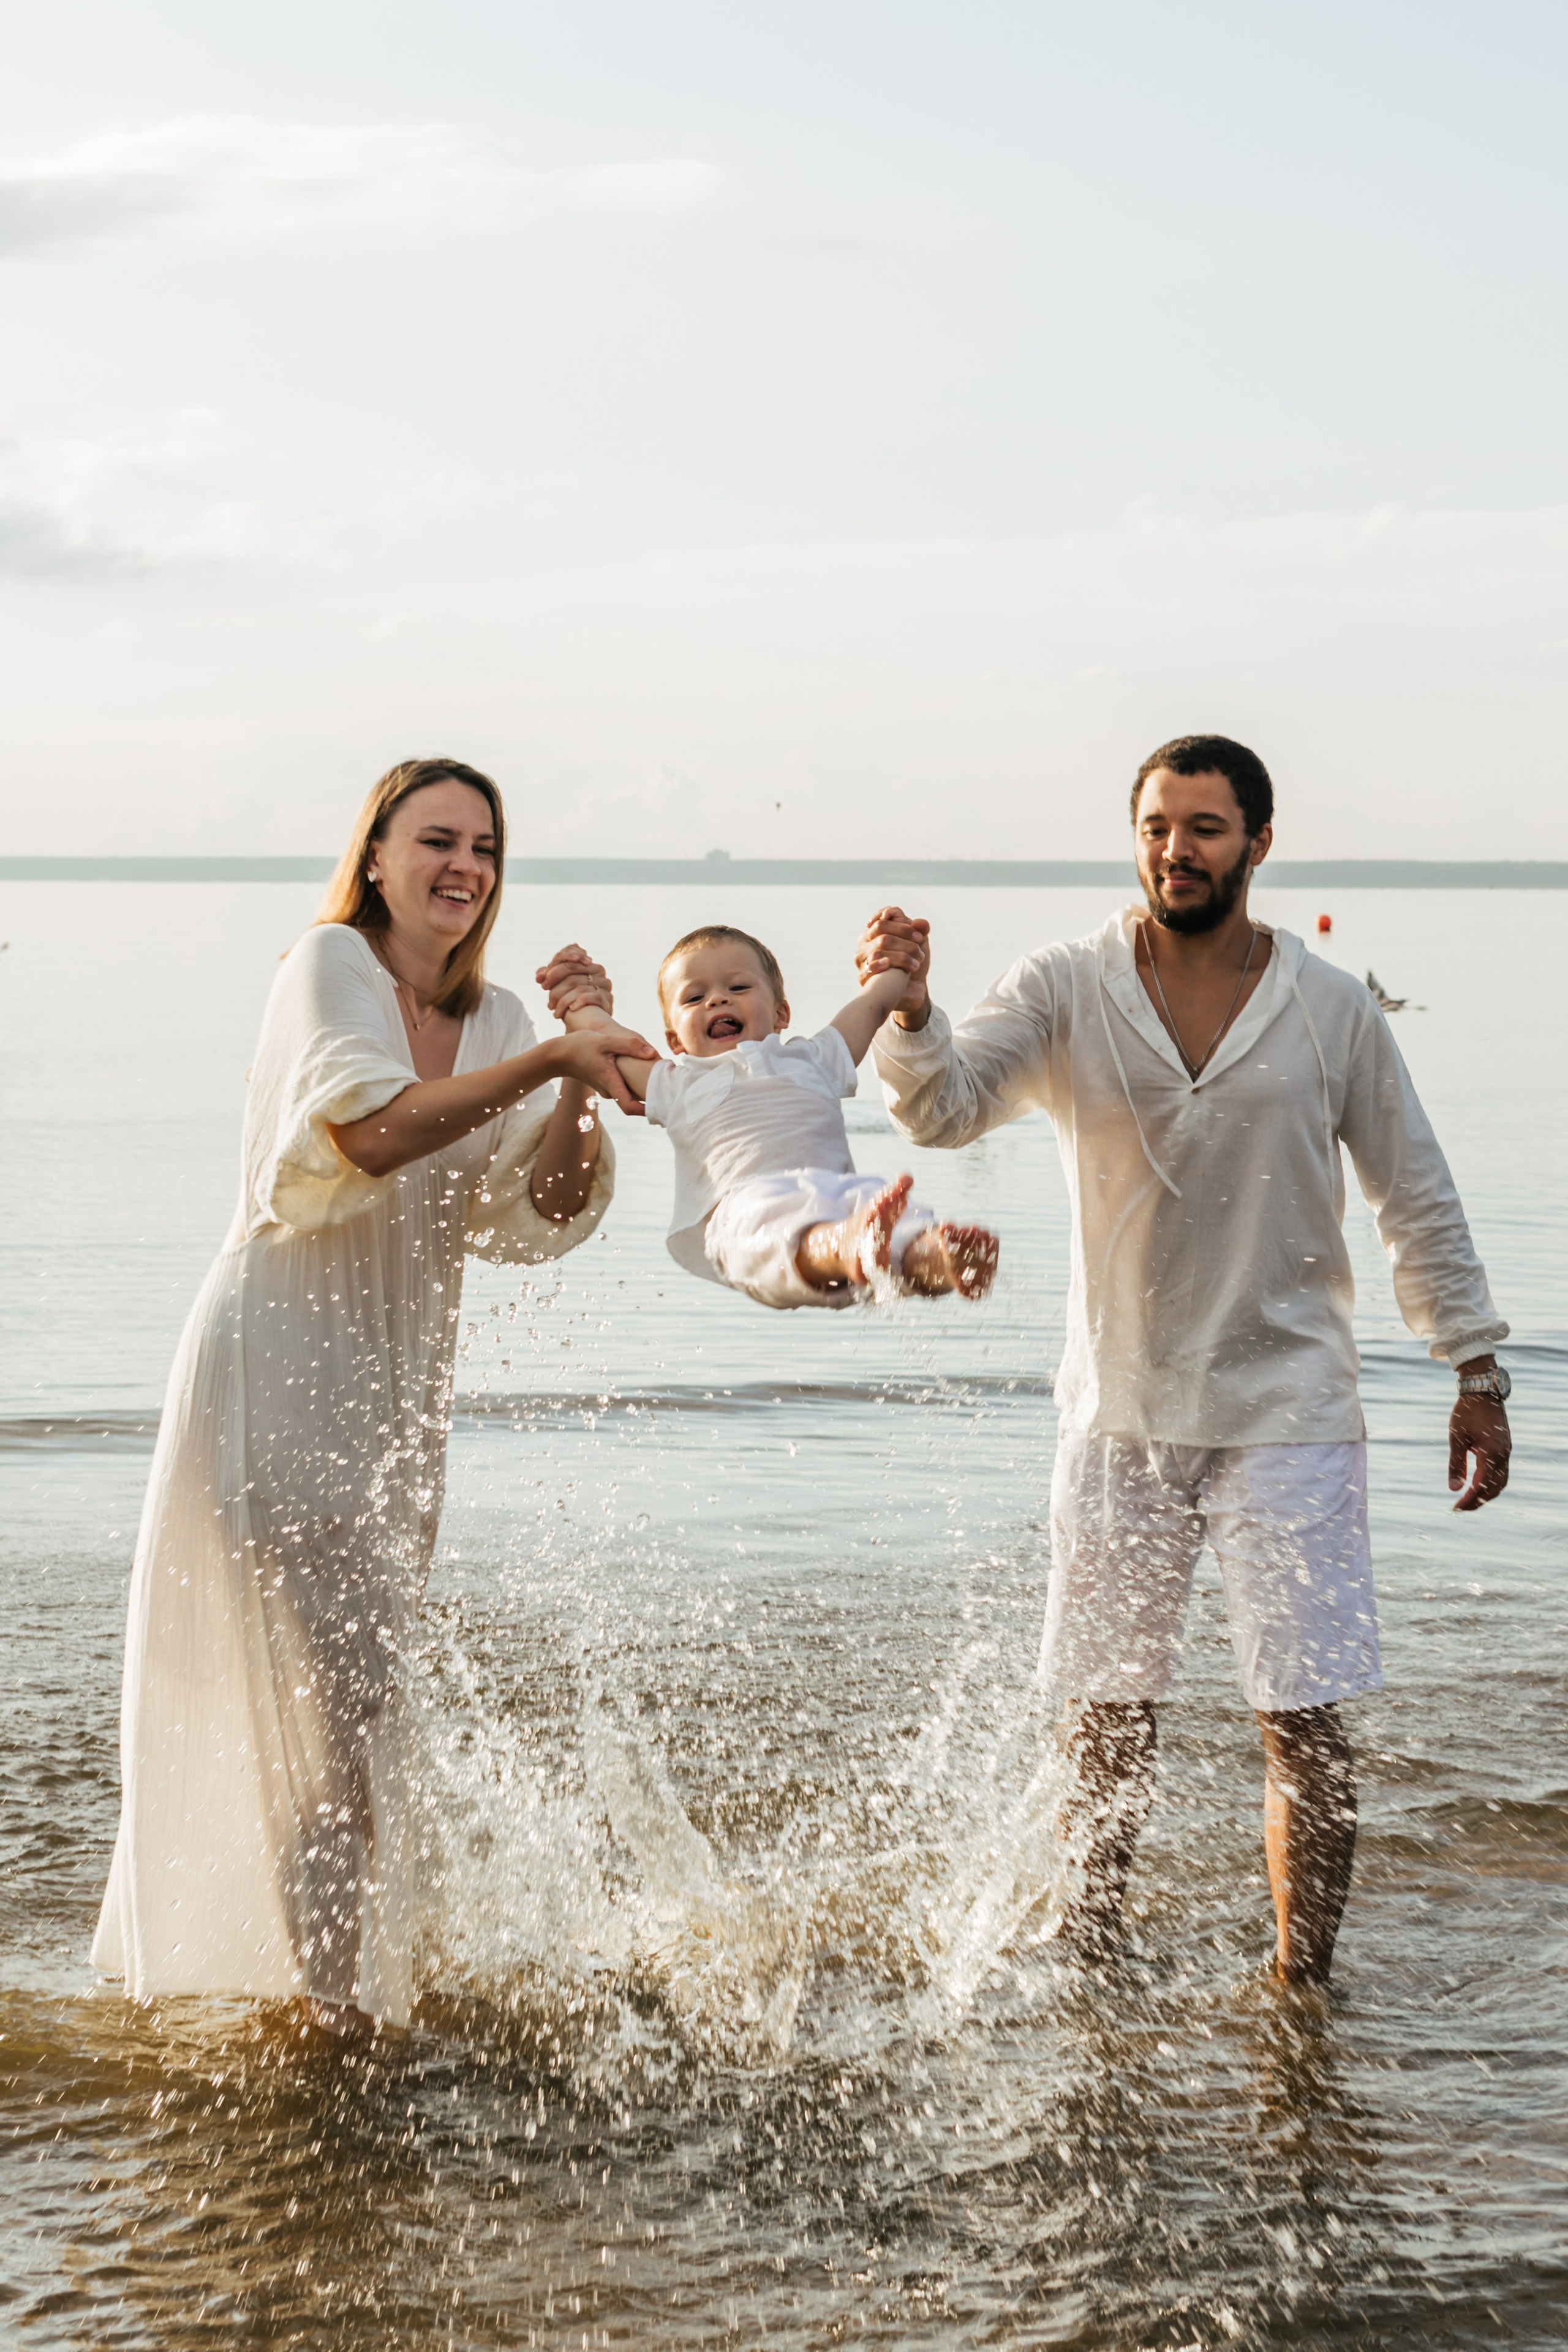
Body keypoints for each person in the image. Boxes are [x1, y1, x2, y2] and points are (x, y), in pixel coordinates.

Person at [857, 735, 1511, 1985]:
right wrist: (908, 1008)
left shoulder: (1328, 1009)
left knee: (1303, 1725)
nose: (1175, 849)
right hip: (1118, 1408)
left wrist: (1472, 1367)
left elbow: (1410, 1194)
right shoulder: (1064, 984)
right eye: (1157, 825)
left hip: (1291, 1409)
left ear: (1257, 844)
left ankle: (1296, 1992)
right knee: (1104, 1719)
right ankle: (1089, 1959)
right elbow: (940, 1108)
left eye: (1203, 828)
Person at [92, 758, 655, 2035]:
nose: (464, 866)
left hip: (399, 1391)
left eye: (485, 848)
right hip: (277, 1362)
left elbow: (549, 1207)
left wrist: (572, 1073)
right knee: (333, 1711)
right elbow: (366, 1132)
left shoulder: (508, 1019)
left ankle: (320, 1987)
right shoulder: (329, 966)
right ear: (379, 856)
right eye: (437, 840)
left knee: (355, 1709)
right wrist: (550, 1055)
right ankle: (332, 2008)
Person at [554, 923, 998, 1307]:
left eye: (738, 988)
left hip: (842, 1194)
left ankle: (941, 1260)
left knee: (899, 1222)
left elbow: (874, 1005)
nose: (717, 1001)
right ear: (674, 1041)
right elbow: (605, 1037)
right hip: (747, 1207)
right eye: (694, 997)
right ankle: (853, 1246)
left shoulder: (814, 1059)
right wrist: (580, 999)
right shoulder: (676, 1082)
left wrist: (901, 954)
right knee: (789, 1232)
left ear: (782, 1013)